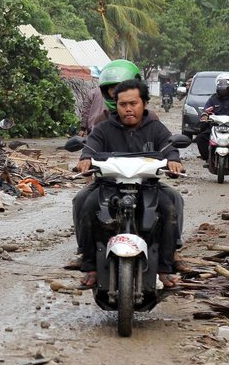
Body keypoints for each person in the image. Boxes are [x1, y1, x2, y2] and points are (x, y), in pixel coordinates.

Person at [73, 79, 185, 288]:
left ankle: (165, 267)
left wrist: (173, 160)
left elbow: (169, 146)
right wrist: (85, 157)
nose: (128, 109)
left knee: (170, 207)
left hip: (147, 185)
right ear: (116, 105)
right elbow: (91, 146)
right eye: (123, 104)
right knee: (84, 203)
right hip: (109, 185)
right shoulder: (104, 128)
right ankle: (89, 265)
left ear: (144, 103)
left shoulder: (156, 127)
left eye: (133, 103)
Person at [195, 72, 229, 163]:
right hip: (215, 125)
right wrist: (205, 115)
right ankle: (207, 158)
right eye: (221, 89)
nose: (223, 90)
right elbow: (207, 110)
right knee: (200, 138)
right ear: (217, 87)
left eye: (225, 88)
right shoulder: (213, 98)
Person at [80, 59, 142, 135]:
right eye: (111, 88)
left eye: (120, 87)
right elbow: (94, 142)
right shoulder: (101, 119)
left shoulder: (149, 118)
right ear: (105, 91)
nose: (116, 92)